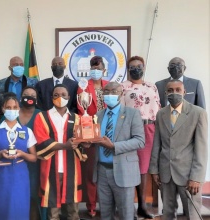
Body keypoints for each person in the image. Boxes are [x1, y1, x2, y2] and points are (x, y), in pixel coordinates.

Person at [149, 80, 208, 219]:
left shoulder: (198, 113)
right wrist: (154, 170)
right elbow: (157, 143)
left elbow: (202, 148)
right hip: (165, 173)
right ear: (165, 93)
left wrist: (197, 177)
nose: (174, 93)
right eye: (170, 90)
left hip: (188, 176)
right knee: (168, 213)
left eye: (177, 90)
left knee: (192, 214)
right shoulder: (161, 114)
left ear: (184, 92)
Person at [89, 81, 145, 219]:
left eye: (114, 91)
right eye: (106, 92)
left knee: (126, 214)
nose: (109, 94)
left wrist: (114, 146)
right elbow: (95, 139)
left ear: (121, 94)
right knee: (106, 214)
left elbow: (140, 141)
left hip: (124, 171)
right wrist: (86, 143)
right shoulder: (98, 115)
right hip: (102, 171)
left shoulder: (133, 114)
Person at [33, 84, 85, 220]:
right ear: (51, 98)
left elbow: (82, 142)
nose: (60, 97)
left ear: (69, 97)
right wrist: (64, 146)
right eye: (56, 95)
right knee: (53, 213)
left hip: (72, 168)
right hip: (51, 168)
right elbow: (41, 141)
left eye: (63, 94)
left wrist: (87, 142)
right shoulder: (42, 117)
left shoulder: (77, 118)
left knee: (73, 212)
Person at [0, 95, 37, 220]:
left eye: (14, 107)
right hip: (2, 177)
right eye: (8, 107)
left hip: (21, 177)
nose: (11, 110)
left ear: (19, 109)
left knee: (20, 210)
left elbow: (34, 157)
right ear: (3, 109)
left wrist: (22, 154)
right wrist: (0, 154)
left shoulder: (27, 131)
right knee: (3, 210)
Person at [121, 56, 160, 219]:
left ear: (143, 68)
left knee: (143, 168)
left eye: (139, 66)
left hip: (150, 127)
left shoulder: (152, 86)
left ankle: (142, 206)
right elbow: (121, 110)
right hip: (130, 128)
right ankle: (129, 207)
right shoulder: (123, 86)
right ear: (128, 69)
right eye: (132, 67)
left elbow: (158, 108)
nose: (136, 69)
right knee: (130, 166)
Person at [0, 86, 43, 220]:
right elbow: (0, 137)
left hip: (35, 164)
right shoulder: (9, 114)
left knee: (33, 197)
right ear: (20, 97)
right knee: (13, 197)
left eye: (32, 95)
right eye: (26, 94)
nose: (29, 97)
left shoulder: (41, 115)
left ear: (36, 99)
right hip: (10, 165)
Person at [76, 55, 108, 217]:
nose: (96, 71)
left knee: (106, 172)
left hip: (108, 135)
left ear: (104, 70)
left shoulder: (109, 86)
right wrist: (88, 135)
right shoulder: (83, 86)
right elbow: (83, 111)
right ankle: (91, 206)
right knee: (90, 172)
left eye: (98, 68)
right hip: (90, 134)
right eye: (93, 69)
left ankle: (106, 205)